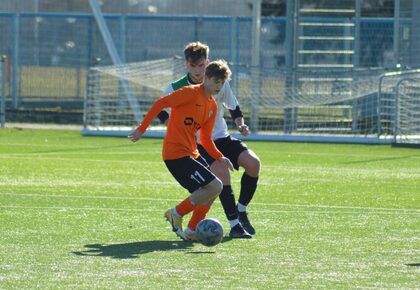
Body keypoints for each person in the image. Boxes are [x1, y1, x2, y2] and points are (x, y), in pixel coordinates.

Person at [158, 42, 261, 239]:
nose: (198, 71)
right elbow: (161, 110)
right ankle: (235, 225)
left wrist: (240, 124)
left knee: (253, 164)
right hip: (199, 144)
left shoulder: (219, 81)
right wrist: (175, 126)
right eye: (193, 65)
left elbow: (234, 107)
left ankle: (241, 210)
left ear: (208, 62)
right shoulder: (177, 87)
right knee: (220, 175)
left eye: (201, 65)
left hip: (222, 137)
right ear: (186, 64)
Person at [128, 60, 234, 241]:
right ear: (206, 78)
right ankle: (176, 214)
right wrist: (141, 129)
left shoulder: (212, 106)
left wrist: (219, 157)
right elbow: (160, 103)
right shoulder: (189, 93)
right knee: (215, 185)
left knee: (212, 191)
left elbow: (206, 139)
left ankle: (192, 231)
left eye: (222, 83)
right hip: (175, 154)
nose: (219, 86)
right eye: (216, 81)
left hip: (191, 153)